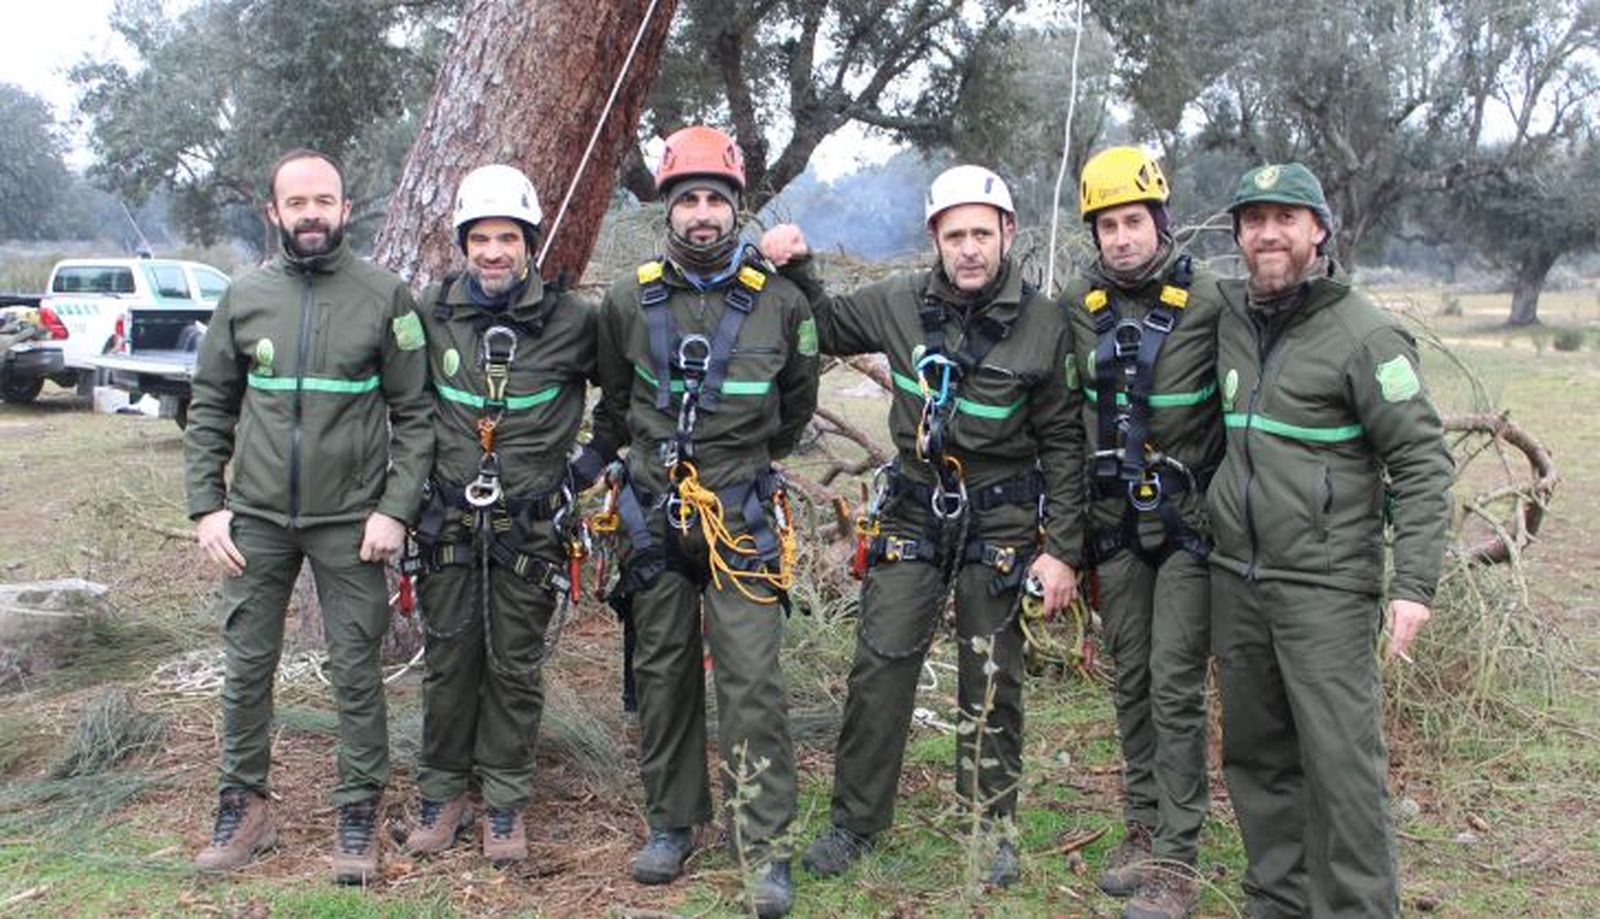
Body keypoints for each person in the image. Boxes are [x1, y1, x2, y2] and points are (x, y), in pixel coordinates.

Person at [760, 165, 1084, 888]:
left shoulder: (1044, 323)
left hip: (1001, 518)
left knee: (991, 675)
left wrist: (1062, 547)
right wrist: (799, 266)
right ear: (935, 239)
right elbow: (826, 325)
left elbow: (1065, 442)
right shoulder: (901, 300)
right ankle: (855, 822)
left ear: (1008, 233)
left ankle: (991, 827)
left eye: (982, 233)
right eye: (954, 234)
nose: (969, 249)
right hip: (913, 507)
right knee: (880, 665)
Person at [1208, 163, 1453, 918]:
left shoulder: (1366, 335)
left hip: (1325, 587)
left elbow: (1422, 458)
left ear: (1319, 229)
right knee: (1256, 753)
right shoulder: (1232, 317)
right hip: (1236, 578)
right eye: (1254, 220)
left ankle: (1356, 906)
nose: (1269, 233)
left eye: (1287, 217)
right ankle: (1278, 897)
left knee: (1342, 765)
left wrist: (1414, 584)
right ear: (1240, 236)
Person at [588, 124, 819, 918]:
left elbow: (794, 410)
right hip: (653, 515)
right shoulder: (627, 299)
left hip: (741, 514)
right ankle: (672, 821)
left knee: (752, 681)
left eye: (714, 201)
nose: (701, 215)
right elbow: (616, 405)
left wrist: (737, 465)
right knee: (663, 675)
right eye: (686, 200)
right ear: (668, 209)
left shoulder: (781, 303)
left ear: (736, 209)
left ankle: (765, 846)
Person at [185, 149, 433, 884]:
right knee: (246, 665)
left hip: (350, 520)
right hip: (255, 518)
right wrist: (207, 506)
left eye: (324, 200)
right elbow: (210, 408)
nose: (312, 214)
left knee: (356, 667)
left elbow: (417, 416)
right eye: (297, 203)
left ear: (346, 208)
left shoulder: (386, 296)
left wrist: (395, 509)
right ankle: (244, 804)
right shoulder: (244, 296)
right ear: (274, 213)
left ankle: (358, 811)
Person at [401, 164, 596, 863]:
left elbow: (630, 393)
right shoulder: (432, 313)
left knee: (514, 665)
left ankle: (506, 801)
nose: (492, 251)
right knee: (449, 658)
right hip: (448, 522)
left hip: (531, 524)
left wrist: (588, 465)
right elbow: (400, 397)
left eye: (506, 237)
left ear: (529, 242)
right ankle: (442, 790)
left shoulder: (571, 321)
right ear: (462, 243)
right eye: (479, 238)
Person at [1060, 147, 1224, 919]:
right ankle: (1144, 823)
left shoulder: (1213, 302)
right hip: (1114, 524)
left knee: (1174, 678)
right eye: (1108, 225)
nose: (1121, 238)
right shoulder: (1077, 305)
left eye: (1134, 222)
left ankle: (1179, 860)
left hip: (1189, 526)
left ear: (1159, 222)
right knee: (1130, 676)